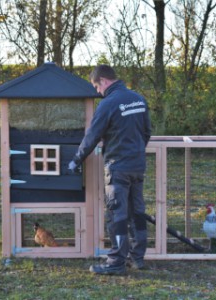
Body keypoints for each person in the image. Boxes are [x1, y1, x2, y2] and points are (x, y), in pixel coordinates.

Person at [68, 65, 151, 275]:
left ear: (103, 81)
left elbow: (92, 137)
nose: (97, 91)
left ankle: (116, 262)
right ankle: (138, 257)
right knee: (137, 212)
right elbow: (147, 132)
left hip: (118, 167)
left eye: (96, 86)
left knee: (117, 214)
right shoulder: (139, 99)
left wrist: (76, 160)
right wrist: (136, 152)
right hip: (138, 165)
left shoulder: (108, 104)